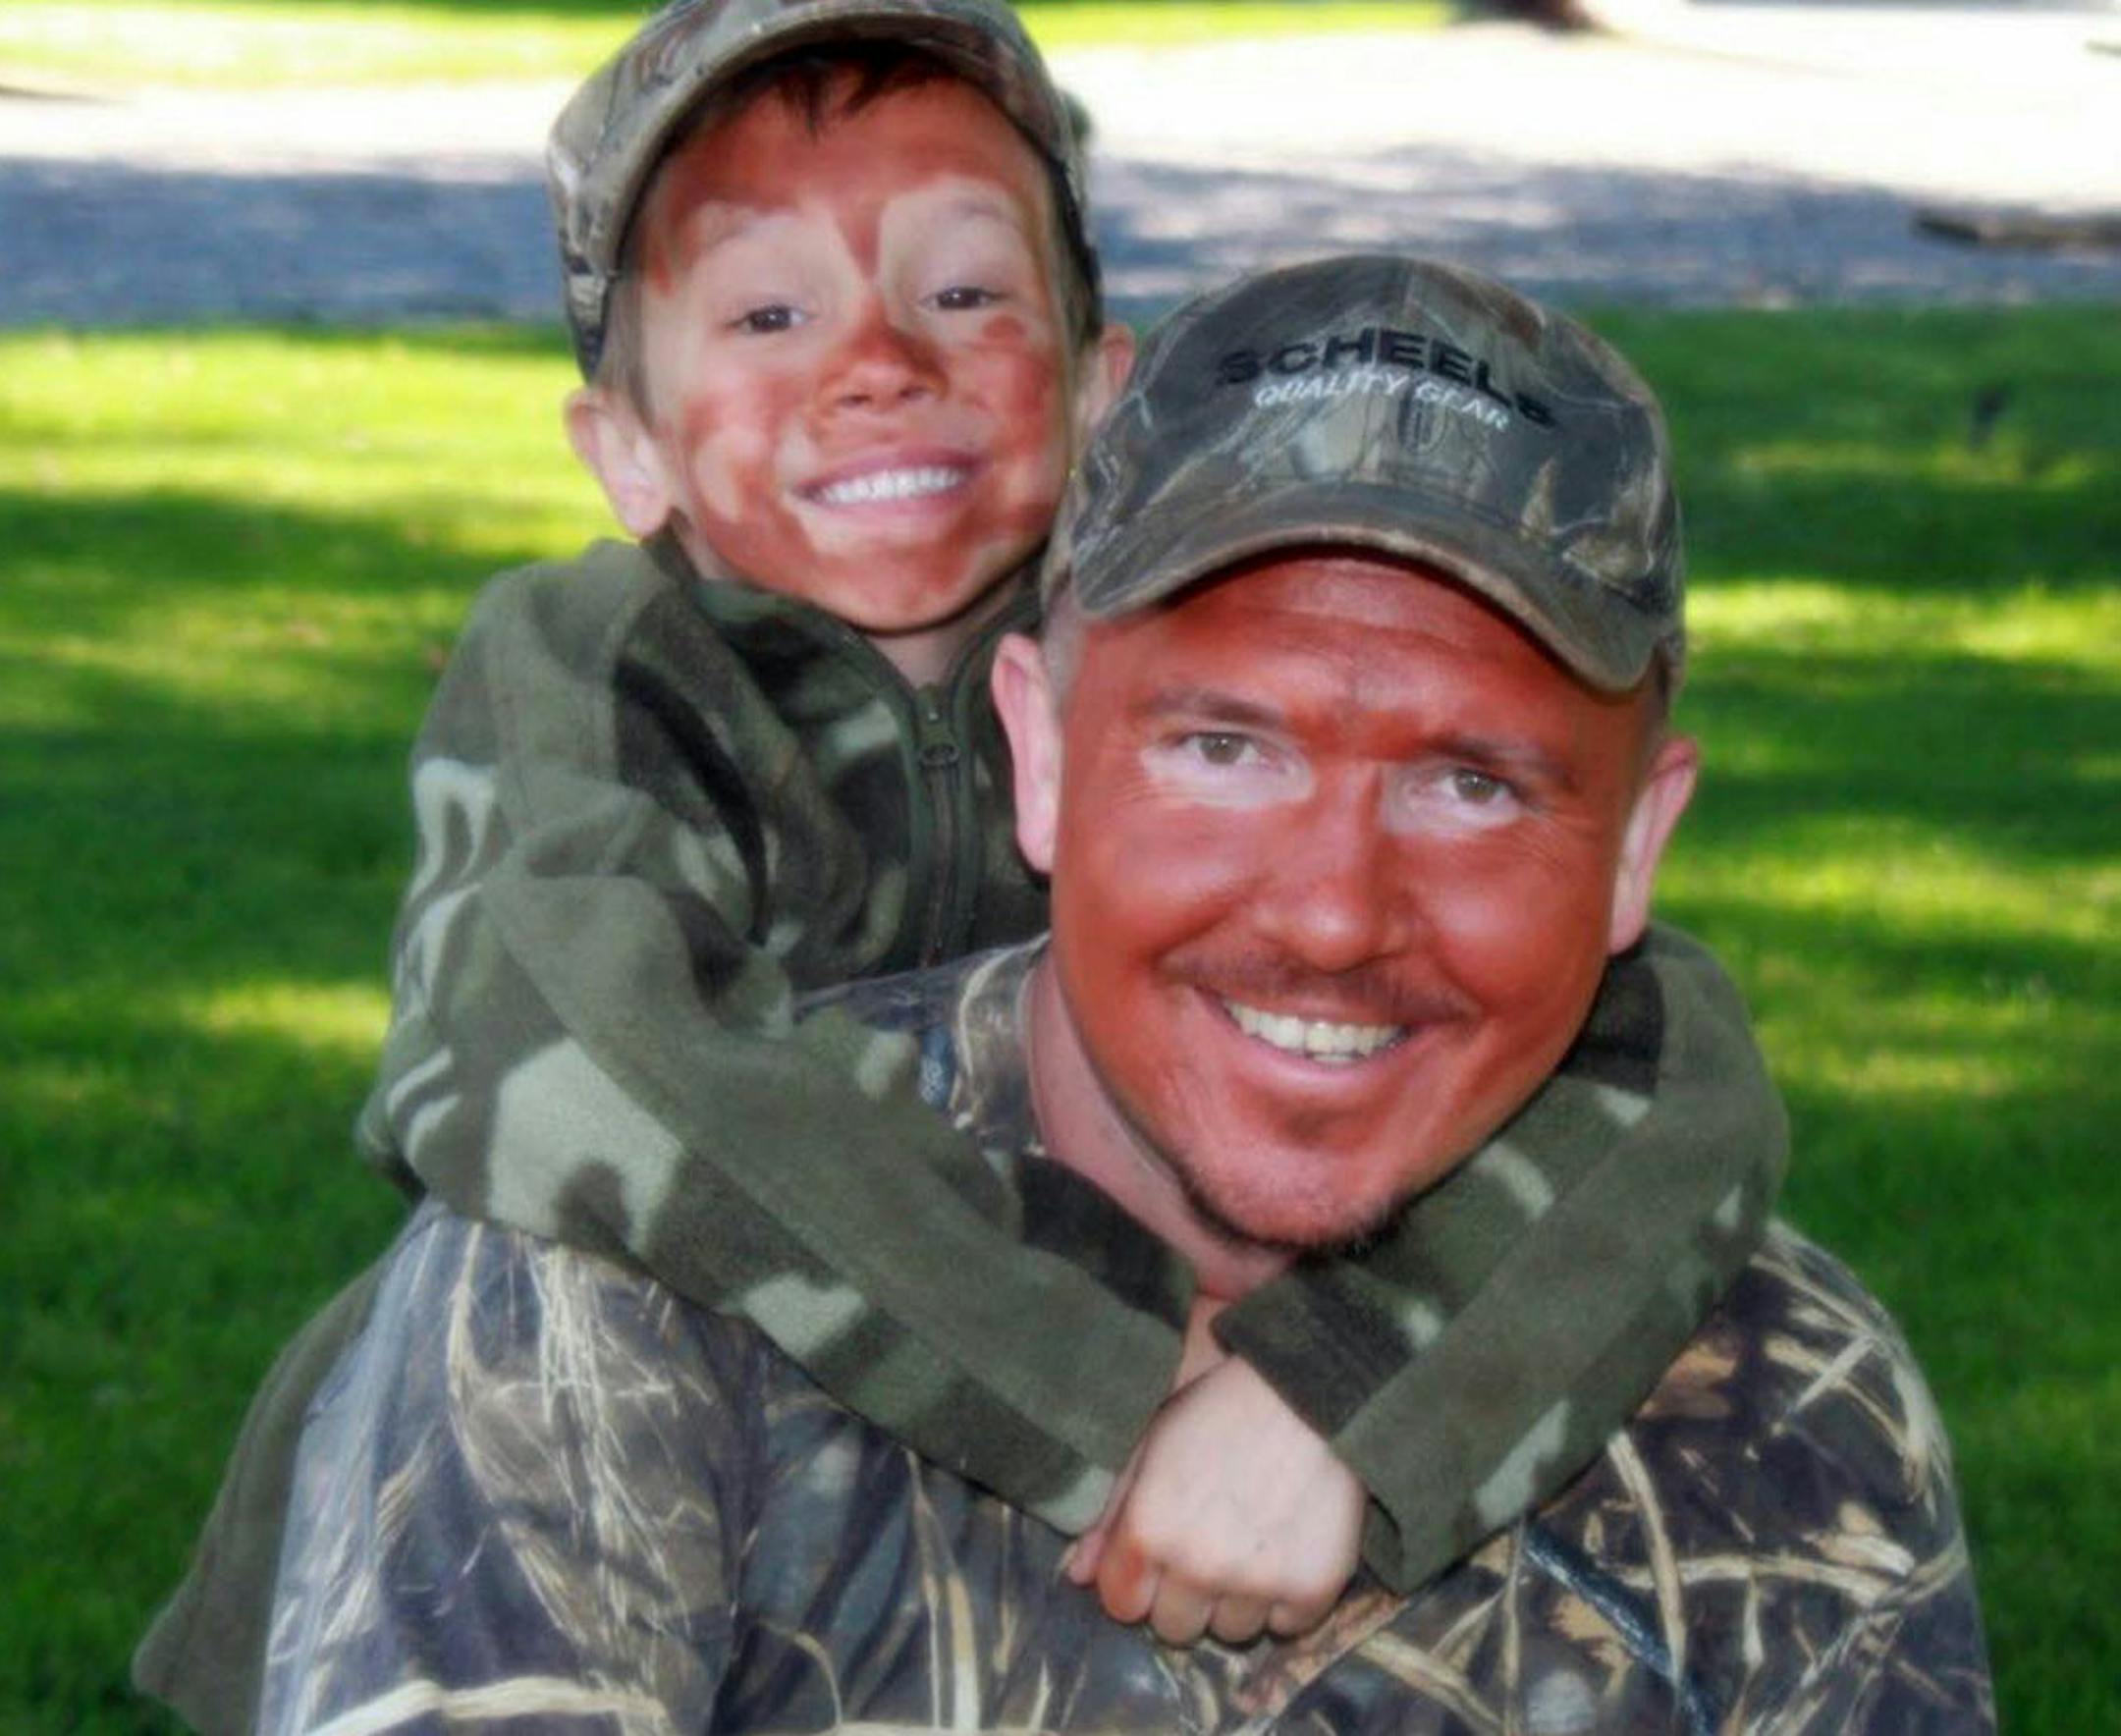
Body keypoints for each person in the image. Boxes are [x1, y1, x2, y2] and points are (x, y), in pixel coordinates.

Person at [136, 1, 1783, 1722]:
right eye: (770, 310)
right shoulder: (597, 668)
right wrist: (1118, 1377)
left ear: (1096, 383)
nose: (879, 364)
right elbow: (543, 1032)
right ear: (621, 449)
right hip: (514, 1511)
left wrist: (1345, 1386)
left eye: (963, 293)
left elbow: (1683, 1080)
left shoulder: (1173, 684)